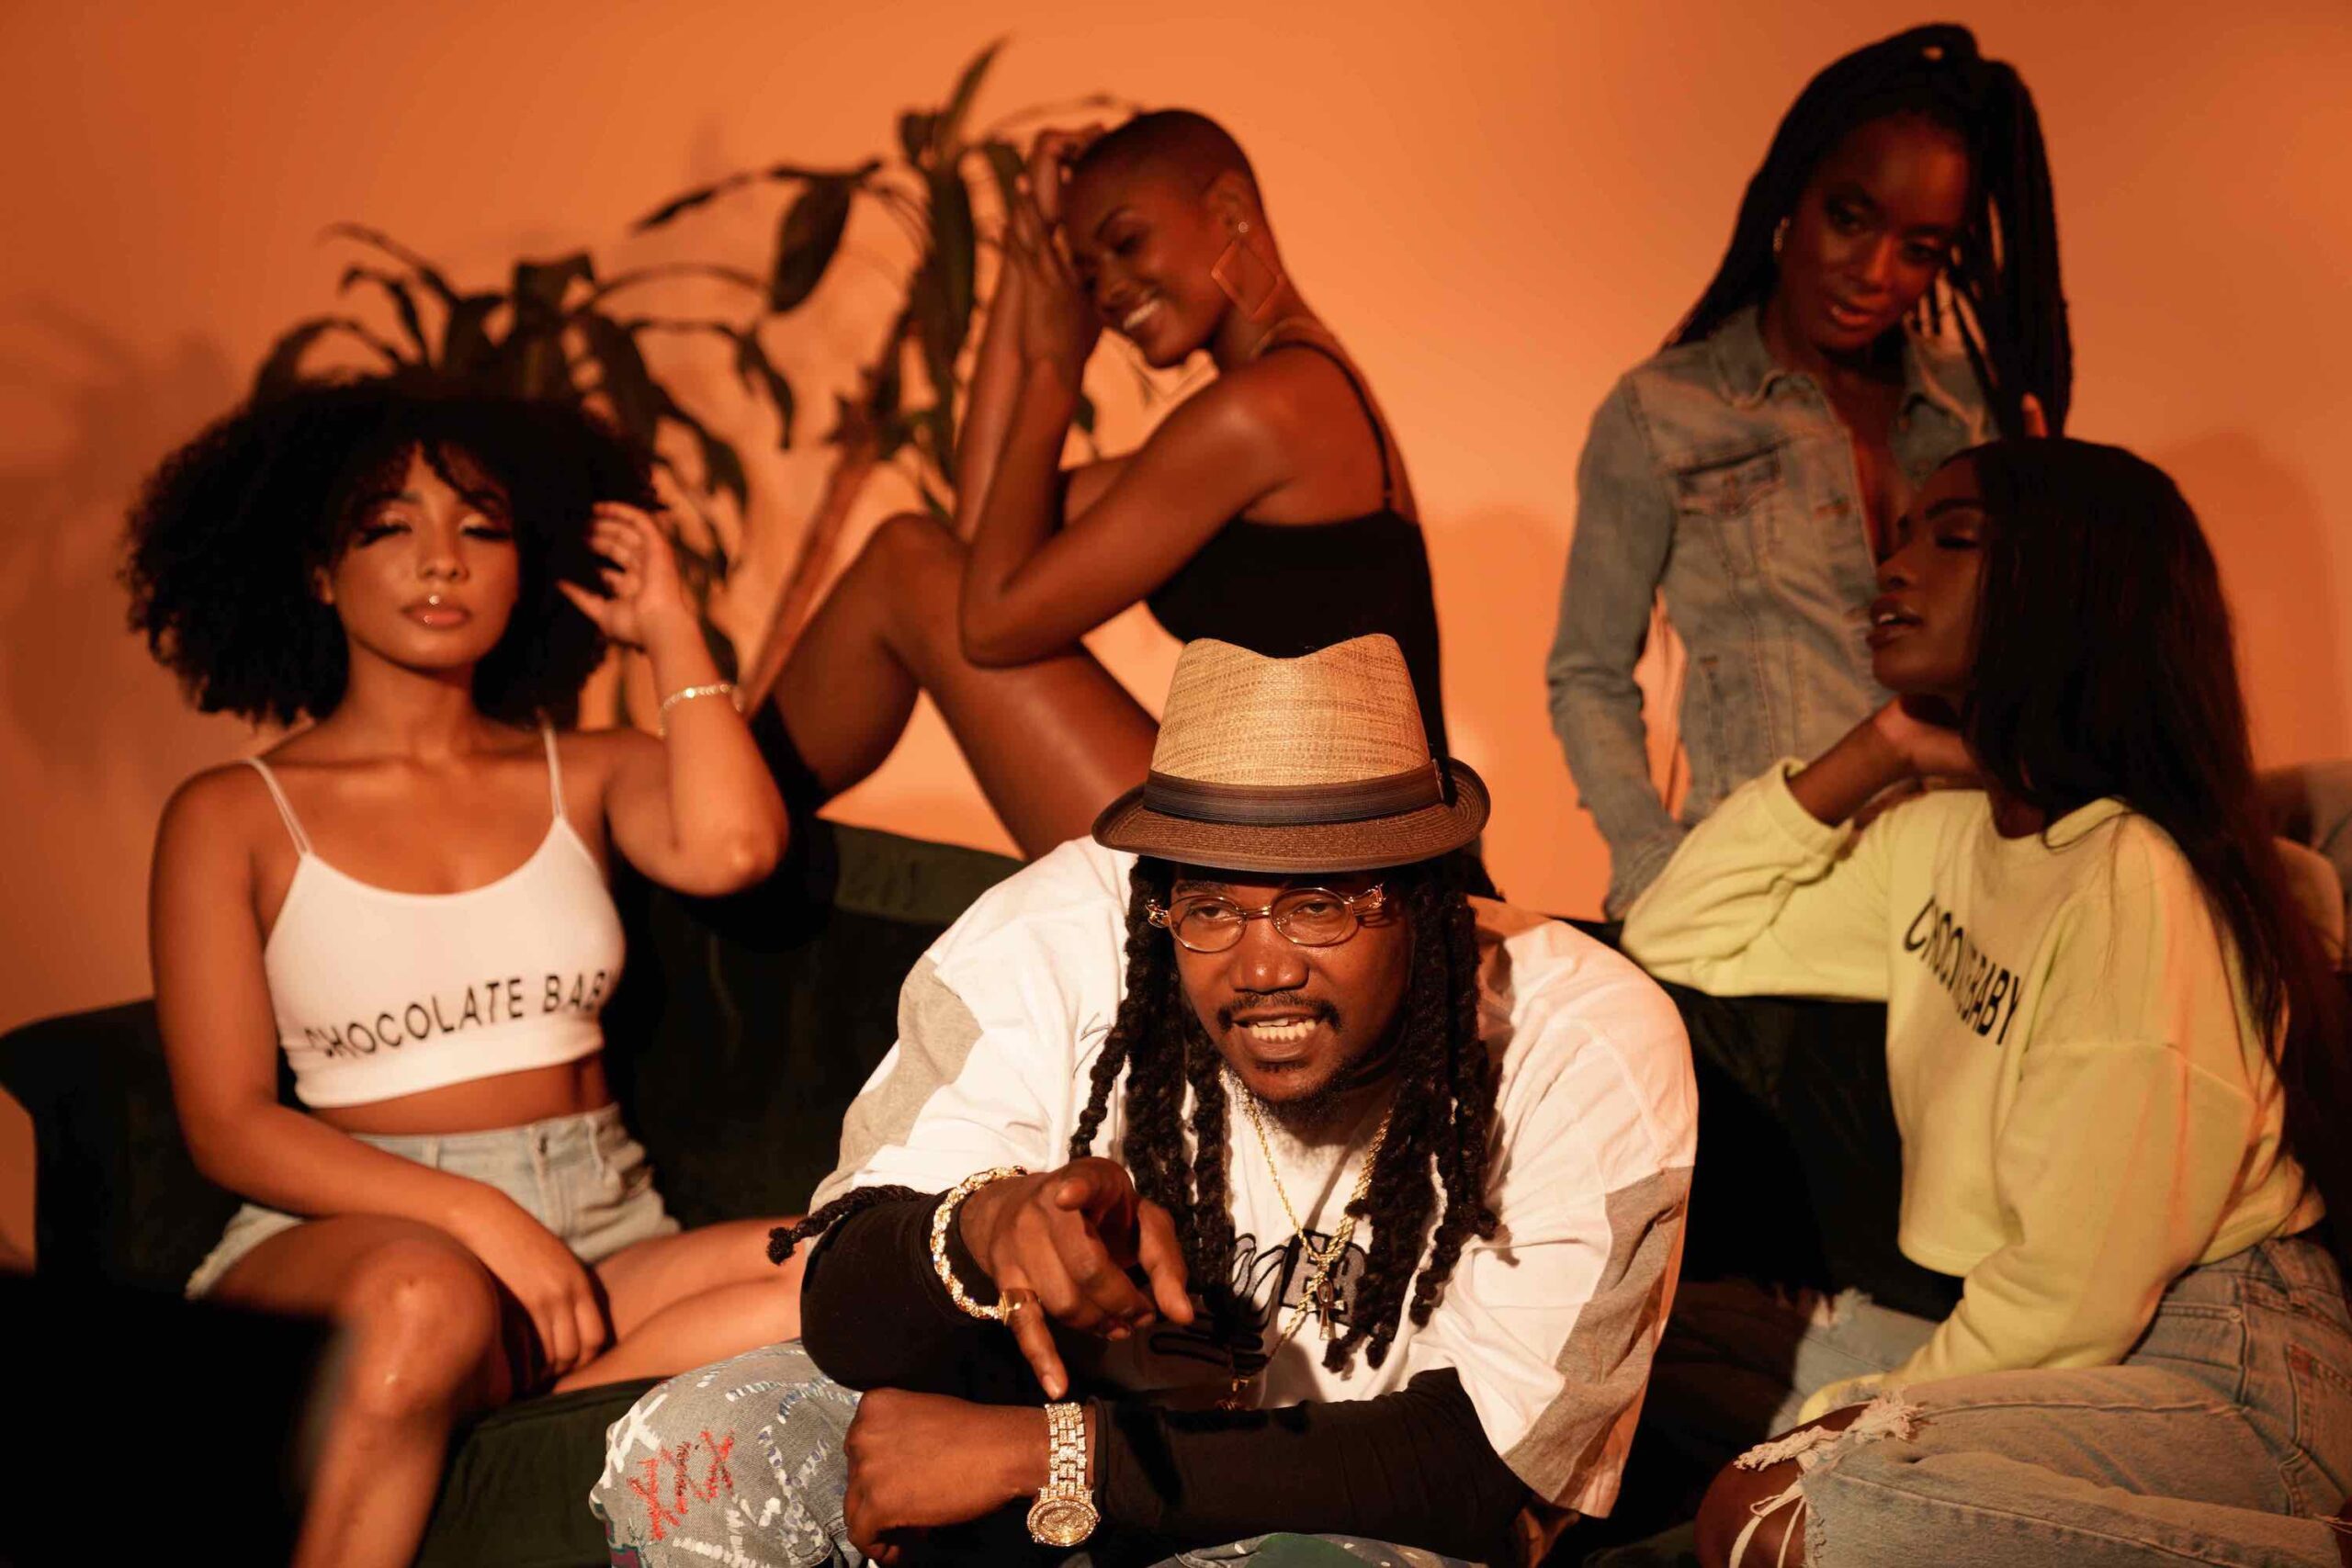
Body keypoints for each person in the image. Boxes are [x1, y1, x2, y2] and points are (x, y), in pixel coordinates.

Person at [590, 634, 1695, 1565]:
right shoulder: (1052, 940)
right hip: (1029, 1453)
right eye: (1210, 907)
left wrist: (1060, 1457)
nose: (1262, 967)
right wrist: (983, 1229)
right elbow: (842, 1298)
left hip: (1340, 1521)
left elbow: (1483, 1473)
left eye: (1318, 904)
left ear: (1422, 899)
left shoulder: (1584, 1044)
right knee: (692, 1448)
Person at [1619, 439, 2352, 1566]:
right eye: (1904, 533)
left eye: (1954, 540)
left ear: (2070, 591)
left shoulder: (2132, 877)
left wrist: (1853, 1423)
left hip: (2222, 1367)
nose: (1894, 564)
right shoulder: (1939, 840)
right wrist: (1881, 746)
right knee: (1643, 1348)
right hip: (2071, 1339)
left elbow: (2073, 1294)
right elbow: (1678, 931)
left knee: (1779, 1503)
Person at [126, 378, 807, 1568]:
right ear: (319, 572)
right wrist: (475, 1215)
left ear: (526, 563)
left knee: (844, 1268)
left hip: (604, 1223)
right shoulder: (230, 813)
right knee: (425, 1299)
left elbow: (737, 847)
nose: (441, 559)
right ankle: (466, 1375)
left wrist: (669, 624)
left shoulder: (589, 768)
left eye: (481, 528)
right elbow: (227, 1124)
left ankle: (491, 1408)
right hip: (359, 1236)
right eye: (388, 526)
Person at [741, 109, 1454, 860]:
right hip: (1302, 834)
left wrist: (1055, 370)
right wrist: (1027, 251)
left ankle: (718, 812)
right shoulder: (1283, 395)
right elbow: (982, 543)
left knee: (902, 564)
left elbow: (987, 624)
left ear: (1230, 210)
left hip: (1332, 859)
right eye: (1085, 275)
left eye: (1126, 242)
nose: (1107, 290)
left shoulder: (1265, 412)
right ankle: (722, 811)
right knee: (912, 559)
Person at [1548, 24, 2070, 917]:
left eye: (1919, 248)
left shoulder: (1970, 408)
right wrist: (1653, 863)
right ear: (1793, 195)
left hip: (1961, 884)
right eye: (1850, 218)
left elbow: (2030, 650)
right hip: (1768, 894)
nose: (1873, 273)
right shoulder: (1663, 413)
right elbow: (1587, 673)